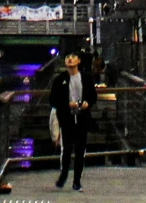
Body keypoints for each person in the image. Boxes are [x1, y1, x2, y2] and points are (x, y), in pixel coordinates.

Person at [48, 51, 95, 191]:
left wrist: (87, 103)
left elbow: (93, 95)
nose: (70, 59)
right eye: (67, 57)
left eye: (73, 57)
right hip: (66, 118)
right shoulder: (59, 79)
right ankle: (63, 176)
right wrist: (67, 105)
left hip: (82, 117)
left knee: (80, 150)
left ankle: (77, 181)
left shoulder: (86, 78)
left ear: (79, 61)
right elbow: (53, 100)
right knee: (67, 149)